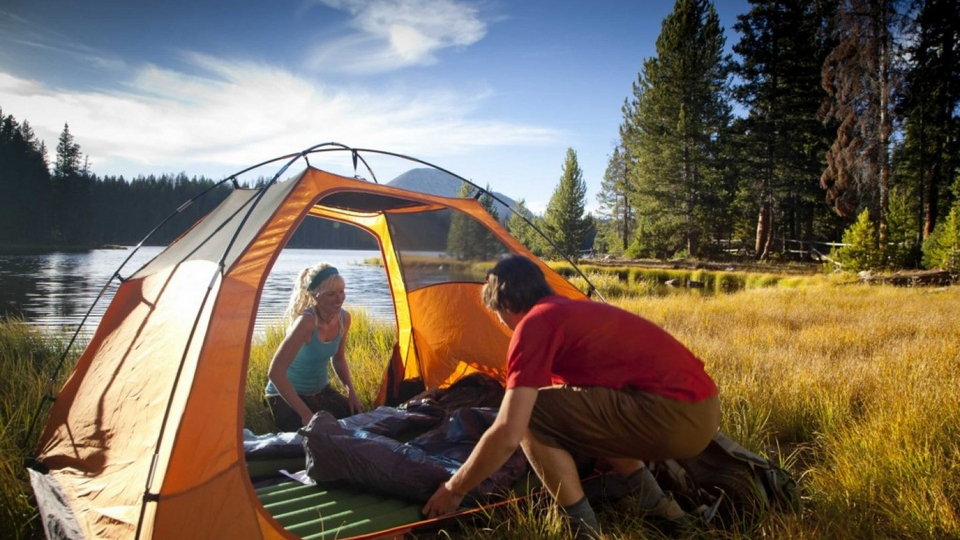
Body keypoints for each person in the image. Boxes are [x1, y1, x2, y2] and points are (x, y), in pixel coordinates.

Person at [422, 255, 721, 539]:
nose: (501, 322)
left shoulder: (535, 323)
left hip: (674, 416)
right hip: (701, 412)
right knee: (569, 407)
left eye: (498, 313)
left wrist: (454, 489)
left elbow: (509, 432)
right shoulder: (568, 313)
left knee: (533, 413)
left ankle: (584, 532)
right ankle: (669, 517)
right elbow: (585, 412)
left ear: (508, 302)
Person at [265, 263, 363, 432]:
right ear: (314, 295)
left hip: (321, 392)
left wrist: (351, 392)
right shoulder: (306, 322)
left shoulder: (344, 319)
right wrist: (305, 414)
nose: (340, 299)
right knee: (314, 436)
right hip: (285, 397)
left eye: (342, 291)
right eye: (331, 294)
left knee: (357, 421)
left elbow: (338, 359)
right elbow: (275, 372)